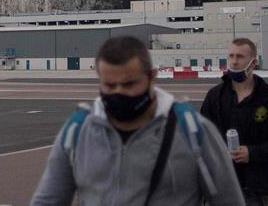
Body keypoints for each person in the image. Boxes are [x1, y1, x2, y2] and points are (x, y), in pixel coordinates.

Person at [30, 36, 245, 206]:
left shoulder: (193, 131)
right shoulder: (77, 132)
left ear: (152, 77)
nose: (119, 93)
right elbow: (48, 200)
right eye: (109, 85)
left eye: (129, 84)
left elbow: (229, 200)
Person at [200, 38, 268, 206]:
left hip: (262, 190)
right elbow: (201, 138)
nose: (234, 61)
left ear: (253, 63)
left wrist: (252, 153)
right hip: (223, 189)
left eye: (240, 57)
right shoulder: (214, 96)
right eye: (231, 56)